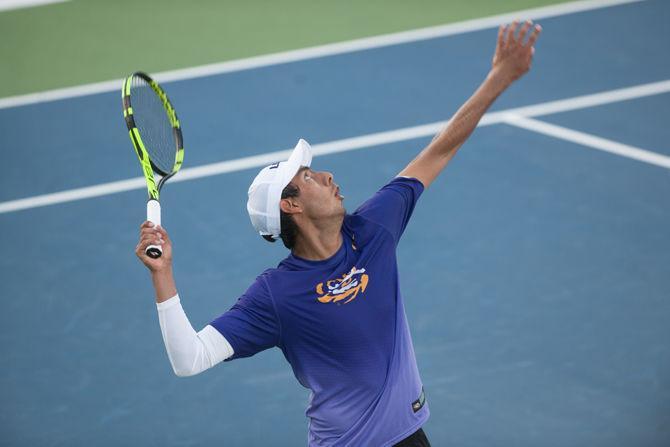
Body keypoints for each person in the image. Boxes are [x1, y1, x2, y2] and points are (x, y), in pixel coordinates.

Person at [136, 20, 541, 447]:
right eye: (309, 177)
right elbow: (189, 359)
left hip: (409, 436)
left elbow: (439, 149)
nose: (328, 177)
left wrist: (500, 76)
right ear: (289, 205)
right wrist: (163, 276)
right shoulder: (277, 295)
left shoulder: (372, 230)